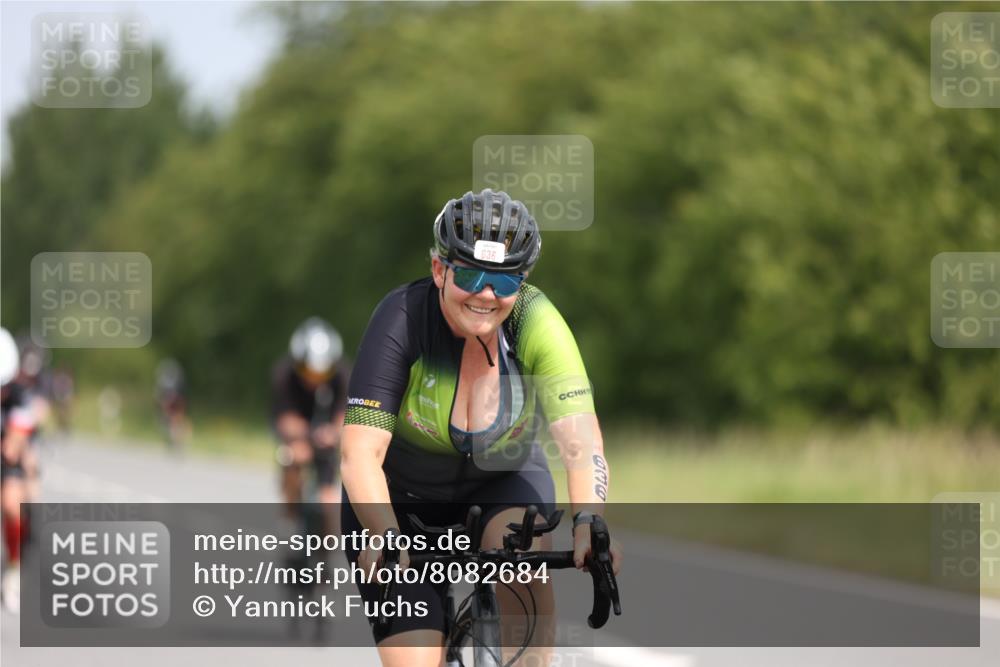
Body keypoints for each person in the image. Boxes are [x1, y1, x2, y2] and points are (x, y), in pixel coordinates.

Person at [340, 189, 622, 667]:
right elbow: (360, 453)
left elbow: (580, 442)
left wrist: (588, 521)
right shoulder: (402, 318)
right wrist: (384, 533)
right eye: (469, 274)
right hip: (400, 502)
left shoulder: (537, 321)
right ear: (438, 270)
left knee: (526, 585)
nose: (486, 294)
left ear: (522, 283)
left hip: (502, 481)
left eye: (504, 281)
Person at [271, 318, 349, 513]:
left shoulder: (343, 375)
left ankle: (328, 537)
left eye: (323, 374)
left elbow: (345, 414)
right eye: (308, 372)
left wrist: (334, 433)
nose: (315, 379)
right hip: (298, 436)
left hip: (328, 438)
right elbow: (285, 421)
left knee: (329, 498)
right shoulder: (284, 375)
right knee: (292, 457)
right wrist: (310, 434)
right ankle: (290, 515)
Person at [1, 327, 35, 614]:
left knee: (12, 505)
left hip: (6, 456)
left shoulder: (20, 394)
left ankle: (14, 564)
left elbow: (14, 445)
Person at [155, 358, 191, 452]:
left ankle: (176, 441)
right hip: (177, 401)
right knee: (175, 421)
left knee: (172, 421)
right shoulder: (177, 379)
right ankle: (177, 441)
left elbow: (161, 396)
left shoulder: (165, 381)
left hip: (173, 402)